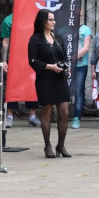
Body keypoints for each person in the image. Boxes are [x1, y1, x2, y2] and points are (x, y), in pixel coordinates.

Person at [28, 9, 72, 158]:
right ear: (43, 22)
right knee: (47, 112)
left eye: (54, 19)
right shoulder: (35, 39)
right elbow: (32, 61)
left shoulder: (57, 37)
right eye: (50, 20)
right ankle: (47, 145)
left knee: (64, 111)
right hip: (45, 79)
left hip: (60, 78)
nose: (54, 22)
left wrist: (64, 66)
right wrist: (50, 66)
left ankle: (61, 145)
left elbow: (64, 56)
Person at [1, 13, 39, 128]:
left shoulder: (32, 17)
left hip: (30, 57)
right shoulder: (8, 21)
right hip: (14, 58)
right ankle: (9, 116)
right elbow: (5, 41)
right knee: (12, 86)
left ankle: (32, 115)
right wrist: (4, 60)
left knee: (32, 85)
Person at [71, 12, 92, 129]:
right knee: (65, 90)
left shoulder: (86, 29)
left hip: (80, 65)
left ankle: (76, 118)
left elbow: (86, 47)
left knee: (79, 91)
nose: (78, 17)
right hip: (68, 66)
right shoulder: (67, 27)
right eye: (76, 15)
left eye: (80, 15)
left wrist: (72, 58)